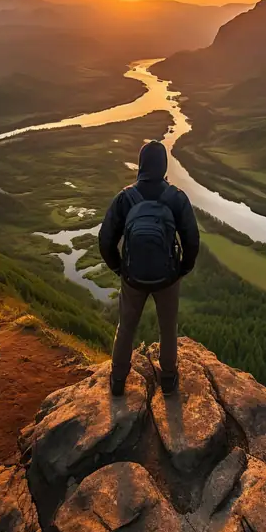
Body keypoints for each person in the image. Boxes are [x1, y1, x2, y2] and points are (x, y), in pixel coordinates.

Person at [99, 139, 200, 397]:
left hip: (132, 277)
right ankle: (168, 380)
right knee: (168, 328)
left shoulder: (125, 198)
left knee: (126, 327)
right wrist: (182, 269)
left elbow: (106, 239)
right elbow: (191, 239)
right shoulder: (176, 197)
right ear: (163, 165)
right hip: (168, 277)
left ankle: (118, 379)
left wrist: (119, 269)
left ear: (141, 164)